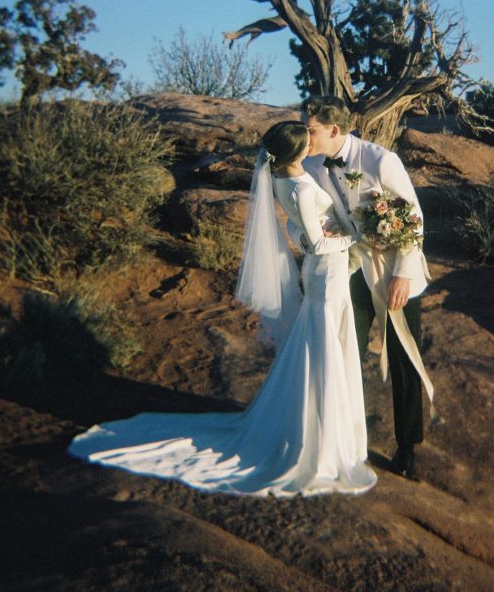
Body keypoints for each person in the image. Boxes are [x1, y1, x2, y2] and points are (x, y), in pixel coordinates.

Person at [68, 120, 377, 497]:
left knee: (318, 347)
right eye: (305, 141)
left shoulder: (284, 180)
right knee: (323, 347)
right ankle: (320, 441)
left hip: (325, 275)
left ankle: (321, 429)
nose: (311, 144)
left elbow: (297, 230)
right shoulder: (296, 183)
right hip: (326, 273)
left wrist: (317, 233)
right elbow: (313, 242)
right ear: (297, 151)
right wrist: (353, 237)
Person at [300, 96, 435, 480]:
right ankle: (343, 440)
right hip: (350, 270)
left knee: (405, 359)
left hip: (394, 272)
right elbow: (307, 215)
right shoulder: (312, 164)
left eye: (310, 130)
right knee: (344, 351)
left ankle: (407, 447)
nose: (305, 137)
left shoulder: (380, 161)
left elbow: (414, 217)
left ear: (334, 130)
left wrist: (404, 274)